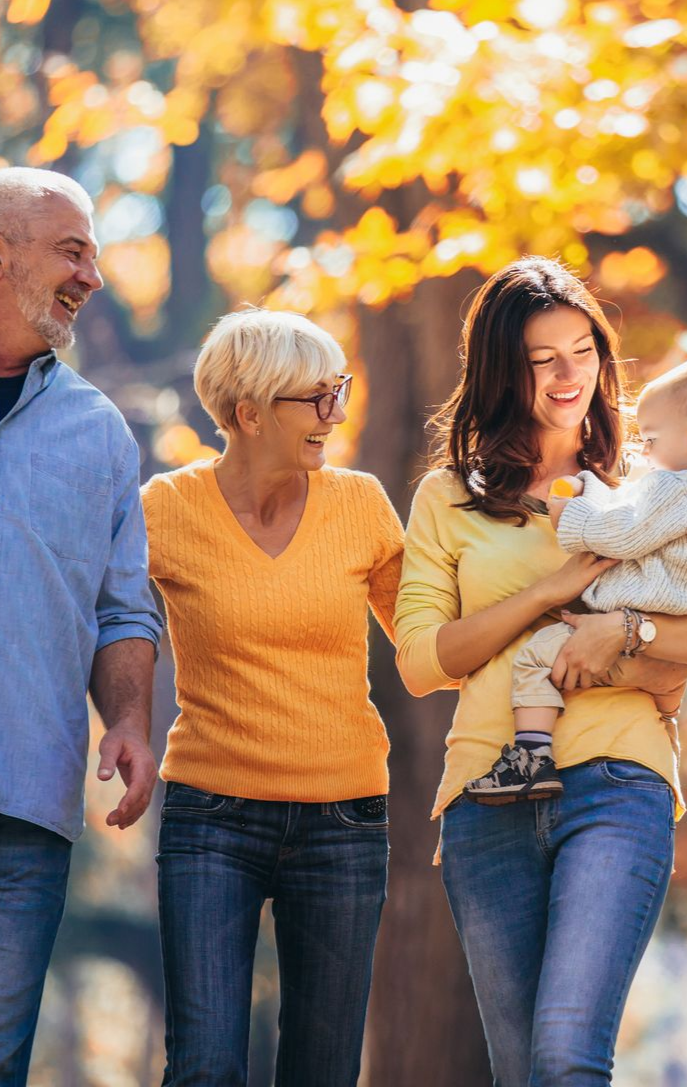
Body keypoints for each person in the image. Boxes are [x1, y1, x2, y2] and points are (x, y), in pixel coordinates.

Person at [395, 258, 687, 1087]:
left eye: (584, 351)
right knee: (522, 1070)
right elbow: (422, 661)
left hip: (615, 784)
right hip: (485, 799)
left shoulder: (655, 481)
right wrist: (555, 589)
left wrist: (629, 629)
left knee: (567, 1058)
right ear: (502, 371)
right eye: (544, 360)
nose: (572, 376)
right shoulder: (446, 498)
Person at [141, 308, 404, 1087]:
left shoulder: (361, 505)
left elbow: (432, 647)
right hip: (211, 817)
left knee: (322, 1073)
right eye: (315, 398)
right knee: (205, 1067)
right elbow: (105, 617)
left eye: (339, 391)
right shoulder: (166, 509)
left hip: (345, 819)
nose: (337, 413)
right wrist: (119, 724)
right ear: (247, 413)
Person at [0, 168, 162, 1086]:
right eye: (71, 251)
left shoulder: (98, 433)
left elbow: (121, 606)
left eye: (94, 254)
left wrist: (130, 722)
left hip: (25, 809)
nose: (92, 277)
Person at [464, 354, 687, 803]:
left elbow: (623, 533)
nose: (644, 450)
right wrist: (592, 487)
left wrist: (570, 515)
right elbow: (632, 508)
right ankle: (666, 725)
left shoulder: (672, 487)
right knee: (663, 687)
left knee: (535, 659)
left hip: (643, 605)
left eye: (652, 438)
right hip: (677, 619)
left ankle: (530, 757)